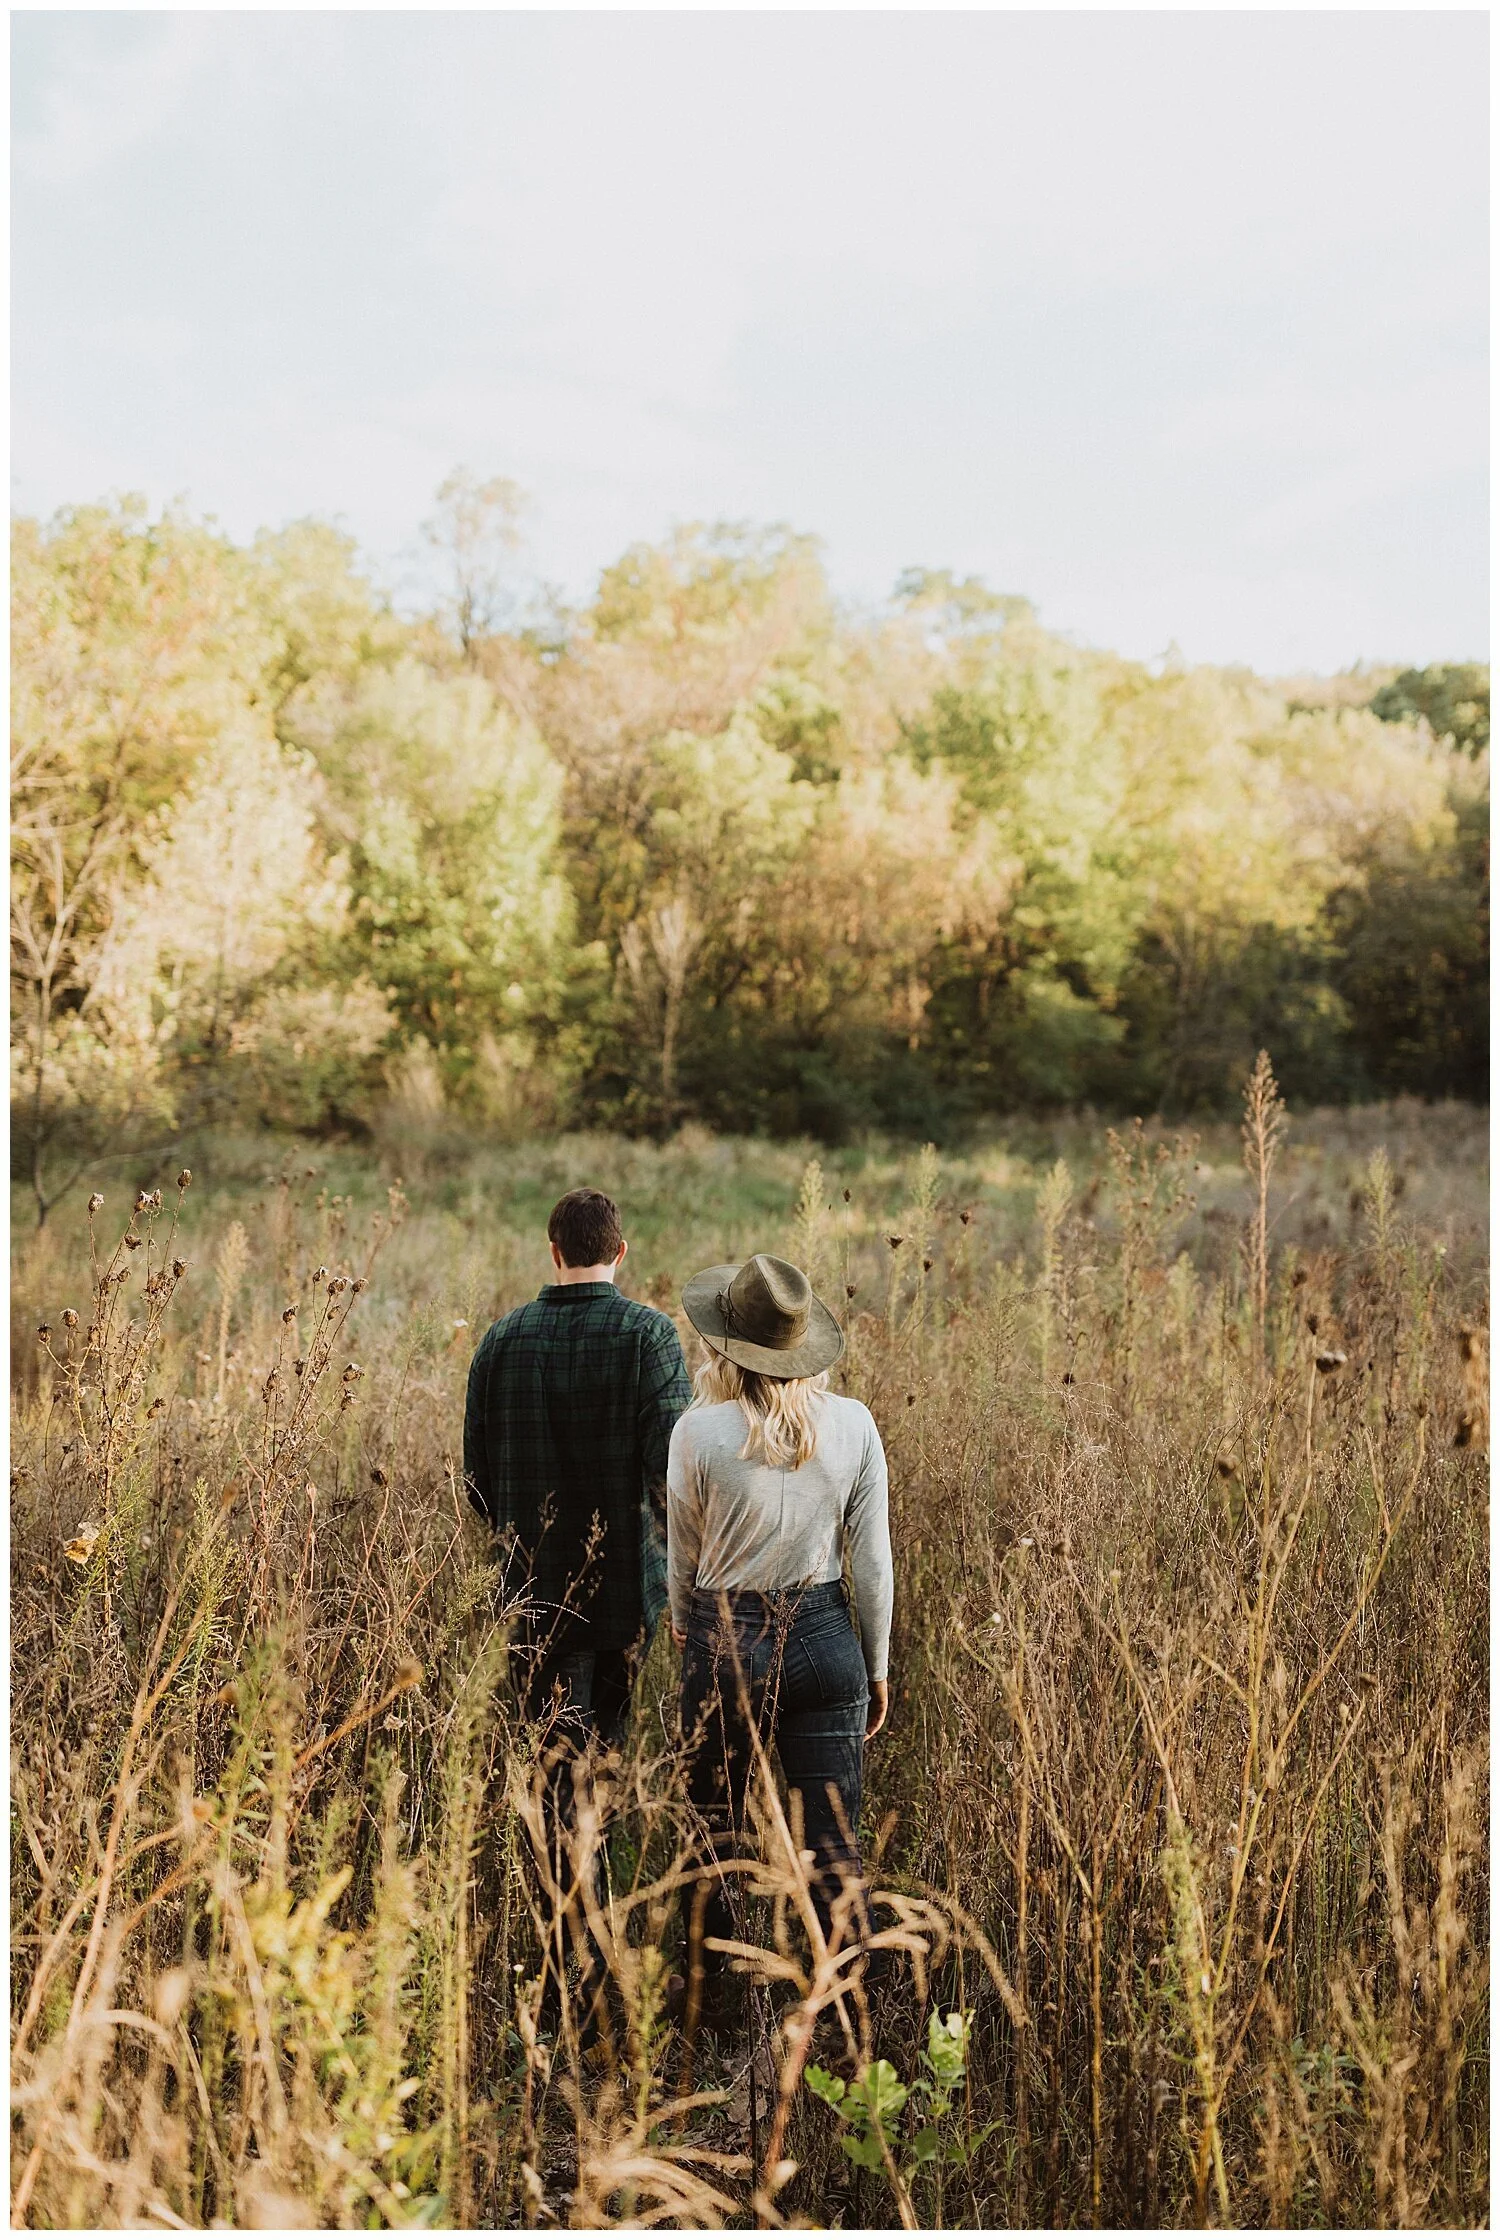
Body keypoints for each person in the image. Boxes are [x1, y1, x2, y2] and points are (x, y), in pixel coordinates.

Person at [464, 1185, 691, 2031]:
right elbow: (671, 1474)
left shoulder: (501, 1342)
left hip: (530, 1599)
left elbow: (477, 1482)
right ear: (619, 1253)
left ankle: (571, 1971)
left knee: (552, 1780)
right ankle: (592, 1971)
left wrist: (523, 1535)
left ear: (553, 1250)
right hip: (624, 1599)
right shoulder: (648, 1336)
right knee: (598, 1774)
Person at [667, 1251, 892, 2033]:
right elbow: (872, 1560)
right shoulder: (855, 1424)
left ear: (725, 1345)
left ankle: (709, 2014)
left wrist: (684, 1625)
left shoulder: (697, 1431)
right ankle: (847, 2018)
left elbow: (684, 1556)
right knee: (833, 1846)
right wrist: (876, 1663)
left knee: (715, 1834)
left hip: (726, 1637)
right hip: (828, 1640)